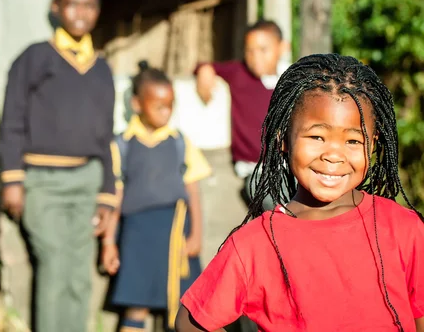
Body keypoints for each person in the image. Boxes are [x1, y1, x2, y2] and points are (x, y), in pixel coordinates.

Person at [175, 54, 424, 332]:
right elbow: (190, 320)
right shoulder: (256, 243)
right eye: (317, 137)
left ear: (373, 146)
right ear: (283, 139)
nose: (333, 155)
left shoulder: (403, 228)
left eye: (353, 140)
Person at [0, 0, 116, 332]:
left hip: (86, 180)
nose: (81, 12)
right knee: (54, 265)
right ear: (56, 8)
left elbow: (105, 135)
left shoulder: (101, 69)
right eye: (73, 3)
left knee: (79, 272)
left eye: (89, 4)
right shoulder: (34, 58)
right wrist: (12, 179)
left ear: (97, 11)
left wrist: (108, 193)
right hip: (43, 182)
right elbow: (11, 120)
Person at [101, 63, 212, 332]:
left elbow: (193, 192)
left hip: (175, 233)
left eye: (170, 105)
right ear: (137, 104)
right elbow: (115, 197)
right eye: (159, 105)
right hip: (136, 235)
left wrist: (196, 235)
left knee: (181, 305)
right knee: (136, 303)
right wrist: (108, 243)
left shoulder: (179, 142)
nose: (166, 112)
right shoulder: (123, 145)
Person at [195, 20, 290, 210]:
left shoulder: (290, 78)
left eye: (263, 50)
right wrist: (204, 71)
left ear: (283, 47)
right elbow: (207, 66)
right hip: (256, 169)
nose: (255, 57)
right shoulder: (239, 73)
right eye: (250, 50)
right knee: (275, 201)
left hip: (289, 166)